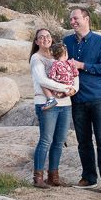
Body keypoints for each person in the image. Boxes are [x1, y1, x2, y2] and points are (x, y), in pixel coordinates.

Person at [63, 6, 101, 193]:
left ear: (86, 19)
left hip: (98, 97)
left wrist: (82, 65)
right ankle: (88, 177)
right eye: (71, 19)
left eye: (76, 18)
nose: (73, 22)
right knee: (83, 141)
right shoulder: (66, 41)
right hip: (77, 98)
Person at [29, 29, 77, 188]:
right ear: (36, 42)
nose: (45, 39)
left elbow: (75, 76)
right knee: (46, 140)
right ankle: (38, 178)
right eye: (41, 37)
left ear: (52, 38)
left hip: (65, 104)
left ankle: (53, 176)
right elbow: (42, 80)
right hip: (46, 103)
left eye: (48, 36)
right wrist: (65, 88)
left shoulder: (60, 55)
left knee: (59, 141)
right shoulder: (36, 59)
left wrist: (73, 90)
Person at [41, 42, 79, 109]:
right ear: (65, 53)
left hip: (59, 89)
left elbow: (51, 75)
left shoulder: (55, 63)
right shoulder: (70, 62)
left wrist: (49, 77)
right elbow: (76, 73)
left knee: (43, 84)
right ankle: (61, 94)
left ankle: (51, 99)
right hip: (69, 86)